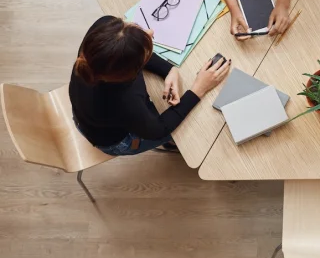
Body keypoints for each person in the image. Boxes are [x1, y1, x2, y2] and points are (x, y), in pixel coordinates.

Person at [69, 16, 231, 155]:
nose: (150, 32)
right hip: (115, 140)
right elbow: (157, 130)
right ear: (133, 71)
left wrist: (170, 70)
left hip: (88, 117)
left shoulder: (101, 32)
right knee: (192, 126)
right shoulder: (125, 102)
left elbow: (128, 50)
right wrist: (198, 89)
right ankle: (172, 144)